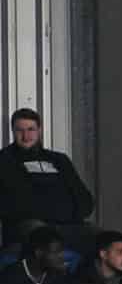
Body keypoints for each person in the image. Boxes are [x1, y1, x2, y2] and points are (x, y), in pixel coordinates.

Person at [0, 106, 94, 249]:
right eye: (20, 130)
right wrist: (55, 210)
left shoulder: (59, 159)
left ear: (39, 130)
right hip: (27, 226)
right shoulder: (5, 160)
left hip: (69, 223)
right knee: (48, 240)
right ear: (13, 131)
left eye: (31, 129)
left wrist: (72, 215)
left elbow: (84, 198)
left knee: (106, 240)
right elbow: (14, 202)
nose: (26, 136)